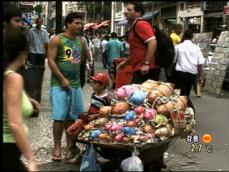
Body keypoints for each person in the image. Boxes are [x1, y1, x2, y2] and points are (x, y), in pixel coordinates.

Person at [48, 12, 89, 162]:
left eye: (81, 23)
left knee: (73, 118)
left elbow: (81, 61)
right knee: (59, 118)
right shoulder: (57, 40)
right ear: (68, 24)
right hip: (59, 86)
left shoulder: (81, 41)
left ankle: (70, 147)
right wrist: (61, 78)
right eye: (77, 23)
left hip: (76, 86)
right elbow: (51, 61)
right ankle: (57, 147)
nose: (80, 25)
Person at [3, 26, 38, 172]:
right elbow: (15, 123)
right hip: (7, 149)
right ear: (23, 51)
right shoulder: (13, 78)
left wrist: (26, 99)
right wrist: (31, 159)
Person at [116, 2, 160, 84]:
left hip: (147, 69)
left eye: (129, 10)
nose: (125, 12)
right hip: (139, 68)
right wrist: (125, 62)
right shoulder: (134, 27)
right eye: (126, 9)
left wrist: (146, 64)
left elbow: (153, 42)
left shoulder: (141, 24)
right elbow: (136, 50)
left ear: (138, 13)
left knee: (137, 95)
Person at [173, 29, 205, 110]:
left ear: (183, 36)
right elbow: (200, 63)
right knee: (187, 92)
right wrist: (199, 75)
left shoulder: (178, 47)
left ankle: (186, 108)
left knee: (180, 93)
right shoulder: (196, 48)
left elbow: (174, 60)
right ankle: (185, 108)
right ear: (192, 37)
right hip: (192, 73)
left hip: (180, 73)